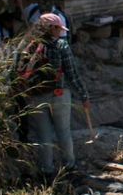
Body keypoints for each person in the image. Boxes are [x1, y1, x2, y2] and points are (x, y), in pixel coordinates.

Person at [14, 13, 90, 175]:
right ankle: (69, 166)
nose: (59, 32)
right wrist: (83, 94)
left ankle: (46, 170)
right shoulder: (61, 45)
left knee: (44, 135)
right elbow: (72, 74)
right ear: (51, 28)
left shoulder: (29, 45)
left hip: (36, 96)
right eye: (58, 29)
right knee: (63, 132)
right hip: (59, 94)